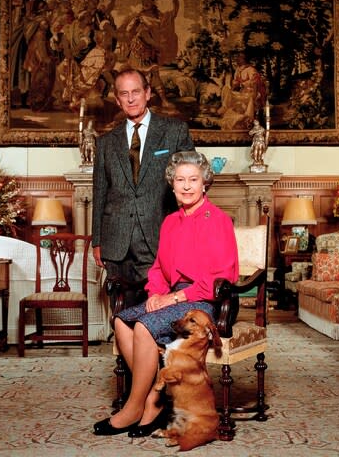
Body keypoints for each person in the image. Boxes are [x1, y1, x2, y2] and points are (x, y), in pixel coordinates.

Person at [93, 151, 239, 437]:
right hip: (172, 296)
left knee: (145, 327)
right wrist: (156, 295)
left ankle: (136, 407)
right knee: (122, 321)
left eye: (193, 180)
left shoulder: (218, 220)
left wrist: (173, 299)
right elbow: (159, 268)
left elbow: (224, 276)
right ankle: (155, 400)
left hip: (203, 301)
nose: (186, 186)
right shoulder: (171, 222)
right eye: (180, 180)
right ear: (172, 185)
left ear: (204, 183)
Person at [91, 68, 194, 306]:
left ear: (147, 93)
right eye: (124, 94)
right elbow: (100, 194)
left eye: (136, 92)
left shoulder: (174, 131)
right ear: (117, 99)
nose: (130, 99)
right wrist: (98, 241)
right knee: (122, 313)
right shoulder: (105, 143)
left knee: (157, 311)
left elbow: (191, 181)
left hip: (159, 237)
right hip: (116, 242)